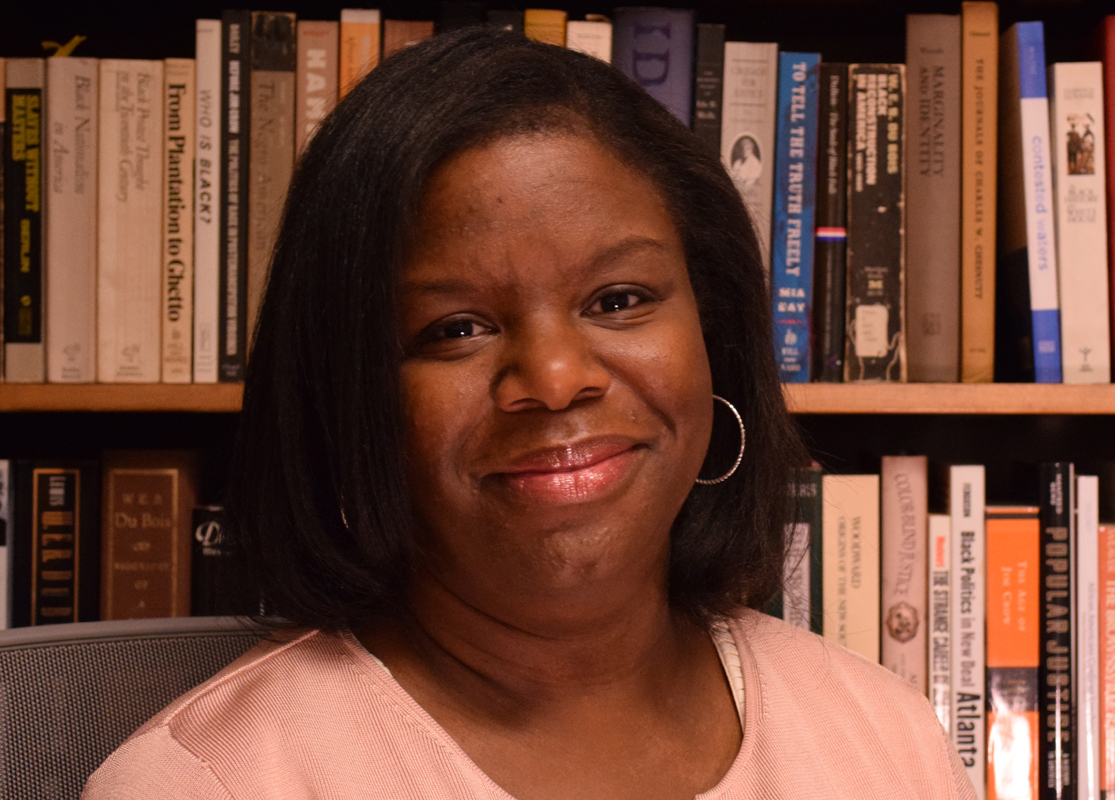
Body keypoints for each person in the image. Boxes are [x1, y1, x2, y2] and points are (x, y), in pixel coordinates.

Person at [85, 27, 974, 799]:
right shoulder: (212, 782)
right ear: (350, 396)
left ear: (714, 331)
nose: (553, 380)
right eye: (455, 329)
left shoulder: (886, 739)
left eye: (619, 300)